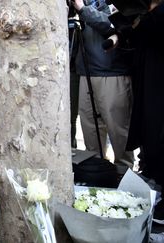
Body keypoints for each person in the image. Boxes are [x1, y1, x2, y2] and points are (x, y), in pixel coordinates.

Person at [72, 0, 134, 169]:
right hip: (85, 71)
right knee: (90, 129)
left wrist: (83, 9)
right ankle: (97, 171)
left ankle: (124, 173)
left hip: (112, 73)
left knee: (118, 129)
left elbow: (116, 28)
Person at [123, 0, 164, 224]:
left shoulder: (157, 15)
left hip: (157, 83)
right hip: (150, 80)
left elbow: (149, 27)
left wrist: (146, 16)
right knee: (151, 135)